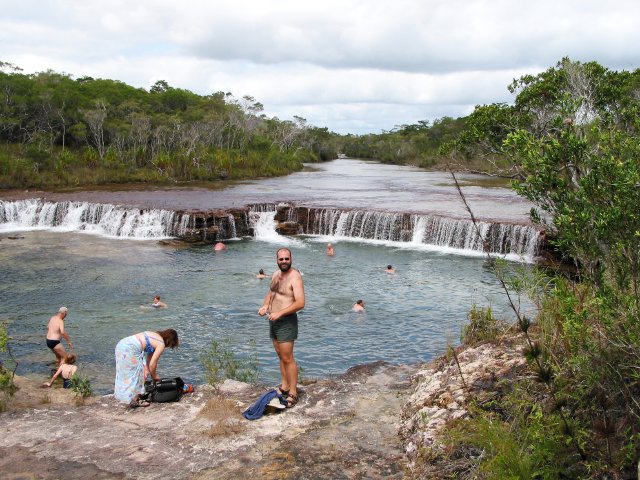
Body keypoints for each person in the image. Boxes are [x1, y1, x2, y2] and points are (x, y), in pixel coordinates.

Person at [258, 247, 305, 408]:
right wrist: (265, 306)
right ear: (276, 260)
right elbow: (271, 292)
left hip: (286, 321)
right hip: (273, 320)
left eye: (286, 259)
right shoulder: (276, 275)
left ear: (291, 259)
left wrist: (280, 314)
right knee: (280, 355)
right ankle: (284, 385)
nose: (284, 261)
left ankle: (293, 392)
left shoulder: (295, 277)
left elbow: (300, 303)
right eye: (281, 259)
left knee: (288, 357)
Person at [114, 328, 179, 406]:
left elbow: (149, 361)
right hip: (131, 348)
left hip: (122, 345)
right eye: (171, 345)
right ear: (169, 340)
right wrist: (155, 377)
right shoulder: (161, 344)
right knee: (137, 373)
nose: (168, 346)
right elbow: (153, 364)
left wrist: (149, 373)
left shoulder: (155, 335)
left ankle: (124, 397)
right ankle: (135, 400)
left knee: (125, 373)